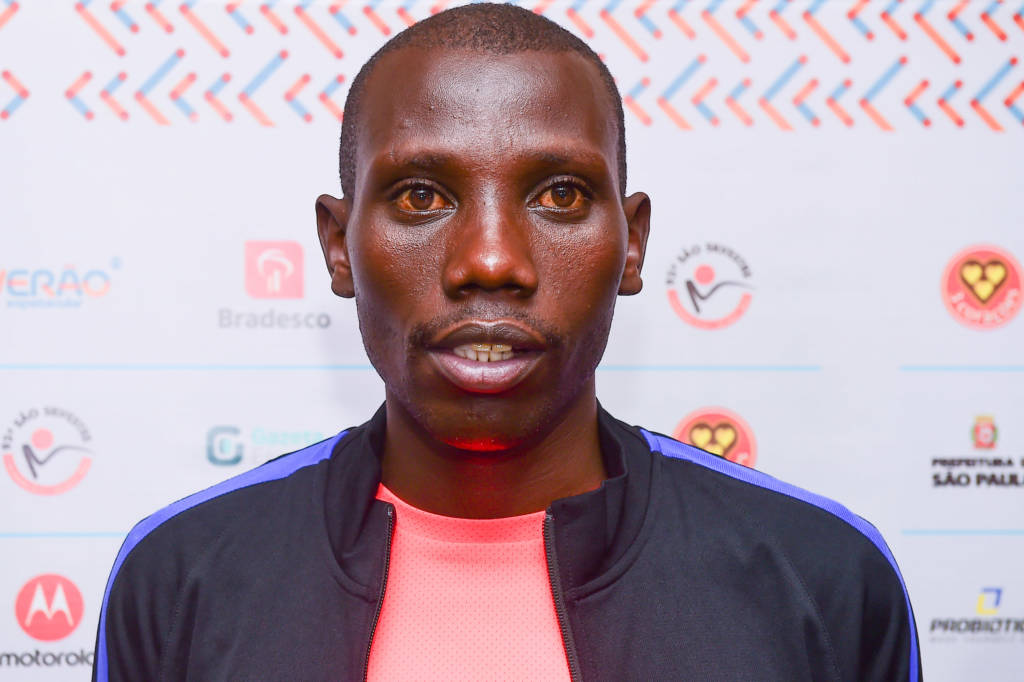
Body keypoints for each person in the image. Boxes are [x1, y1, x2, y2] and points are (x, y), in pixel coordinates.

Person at [92, 4, 920, 680]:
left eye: (559, 195)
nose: (490, 260)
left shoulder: (823, 578)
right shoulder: (181, 578)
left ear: (632, 246)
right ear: (339, 248)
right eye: (421, 197)